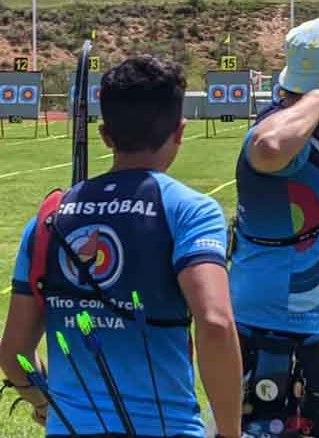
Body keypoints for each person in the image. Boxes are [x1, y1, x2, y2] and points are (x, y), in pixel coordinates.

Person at [0, 56, 242, 438]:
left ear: (105, 136)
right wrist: (230, 432)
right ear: (179, 132)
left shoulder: (49, 218)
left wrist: (45, 403)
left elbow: (14, 352)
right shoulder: (190, 211)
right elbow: (214, 323)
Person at [227, 18, 319, 436]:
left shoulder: (304, 133)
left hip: (293, 319)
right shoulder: (281, 133)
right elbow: (268, 148)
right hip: (273, 324)